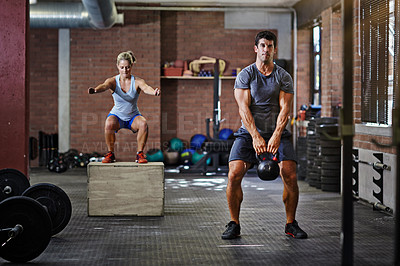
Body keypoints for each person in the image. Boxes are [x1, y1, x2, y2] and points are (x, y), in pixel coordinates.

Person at [222, 31, 308, 239]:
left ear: (274, 49)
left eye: (270, 46)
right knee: (234, 173)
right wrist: (255, 136)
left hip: (277, 131)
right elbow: (243, 109)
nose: (266, 50)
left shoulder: (283, 76)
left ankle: (291, 223)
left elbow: (285, 109)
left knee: (290, 174)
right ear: (256, 48)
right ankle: (234, 223)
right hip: (249, 132)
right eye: (262, 45)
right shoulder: (246, 75)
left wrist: (277, 134)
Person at [88, 51, 160, 163]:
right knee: (108, 123)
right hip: (117, 116)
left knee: (143, 124)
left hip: (133, 117)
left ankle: (139, 154)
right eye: (122, 67)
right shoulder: (113, 81)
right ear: (117, 66)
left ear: (131, 66)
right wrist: (96, 90)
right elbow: (104, 86)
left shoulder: (137, 81)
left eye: (127, 67)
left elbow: (146, 88)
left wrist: (154, 92)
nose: (125, 70)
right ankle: (110, 154)